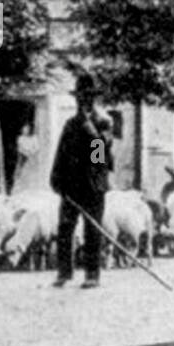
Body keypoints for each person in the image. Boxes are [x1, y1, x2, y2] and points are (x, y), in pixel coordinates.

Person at [49, 73, 115, 288]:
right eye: (79, 97)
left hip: (93, 187)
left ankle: (92, 275)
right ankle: (64, 273)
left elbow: (100, 157)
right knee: (65, 229)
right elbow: (61, 153)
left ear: (93, 99)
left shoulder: (104, 123)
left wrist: (91, 131)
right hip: (71, 186)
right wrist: (56, 178)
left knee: (92, 231)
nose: (82, 101)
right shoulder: (70, 124)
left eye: (87, 97)